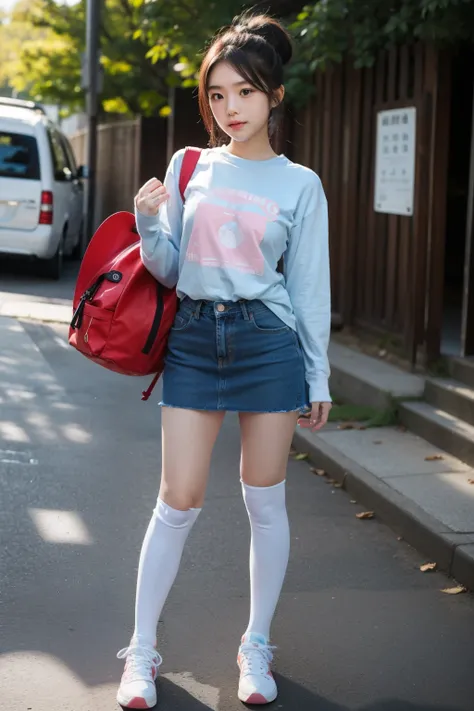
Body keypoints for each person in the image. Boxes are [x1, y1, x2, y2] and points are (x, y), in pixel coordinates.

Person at [116, 10, 332, 709]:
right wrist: (151, 220)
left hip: (267, 345)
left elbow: (307, 287)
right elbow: (172, 270)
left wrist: (317, 372)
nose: (228, 108)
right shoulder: (190, 167)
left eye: (243, 92)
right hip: (195, 341)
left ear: (273, 94)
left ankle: (255, 643)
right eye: (216, 94)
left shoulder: (301, 185)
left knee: (264, 501)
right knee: (177, 499)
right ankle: (141, 652)